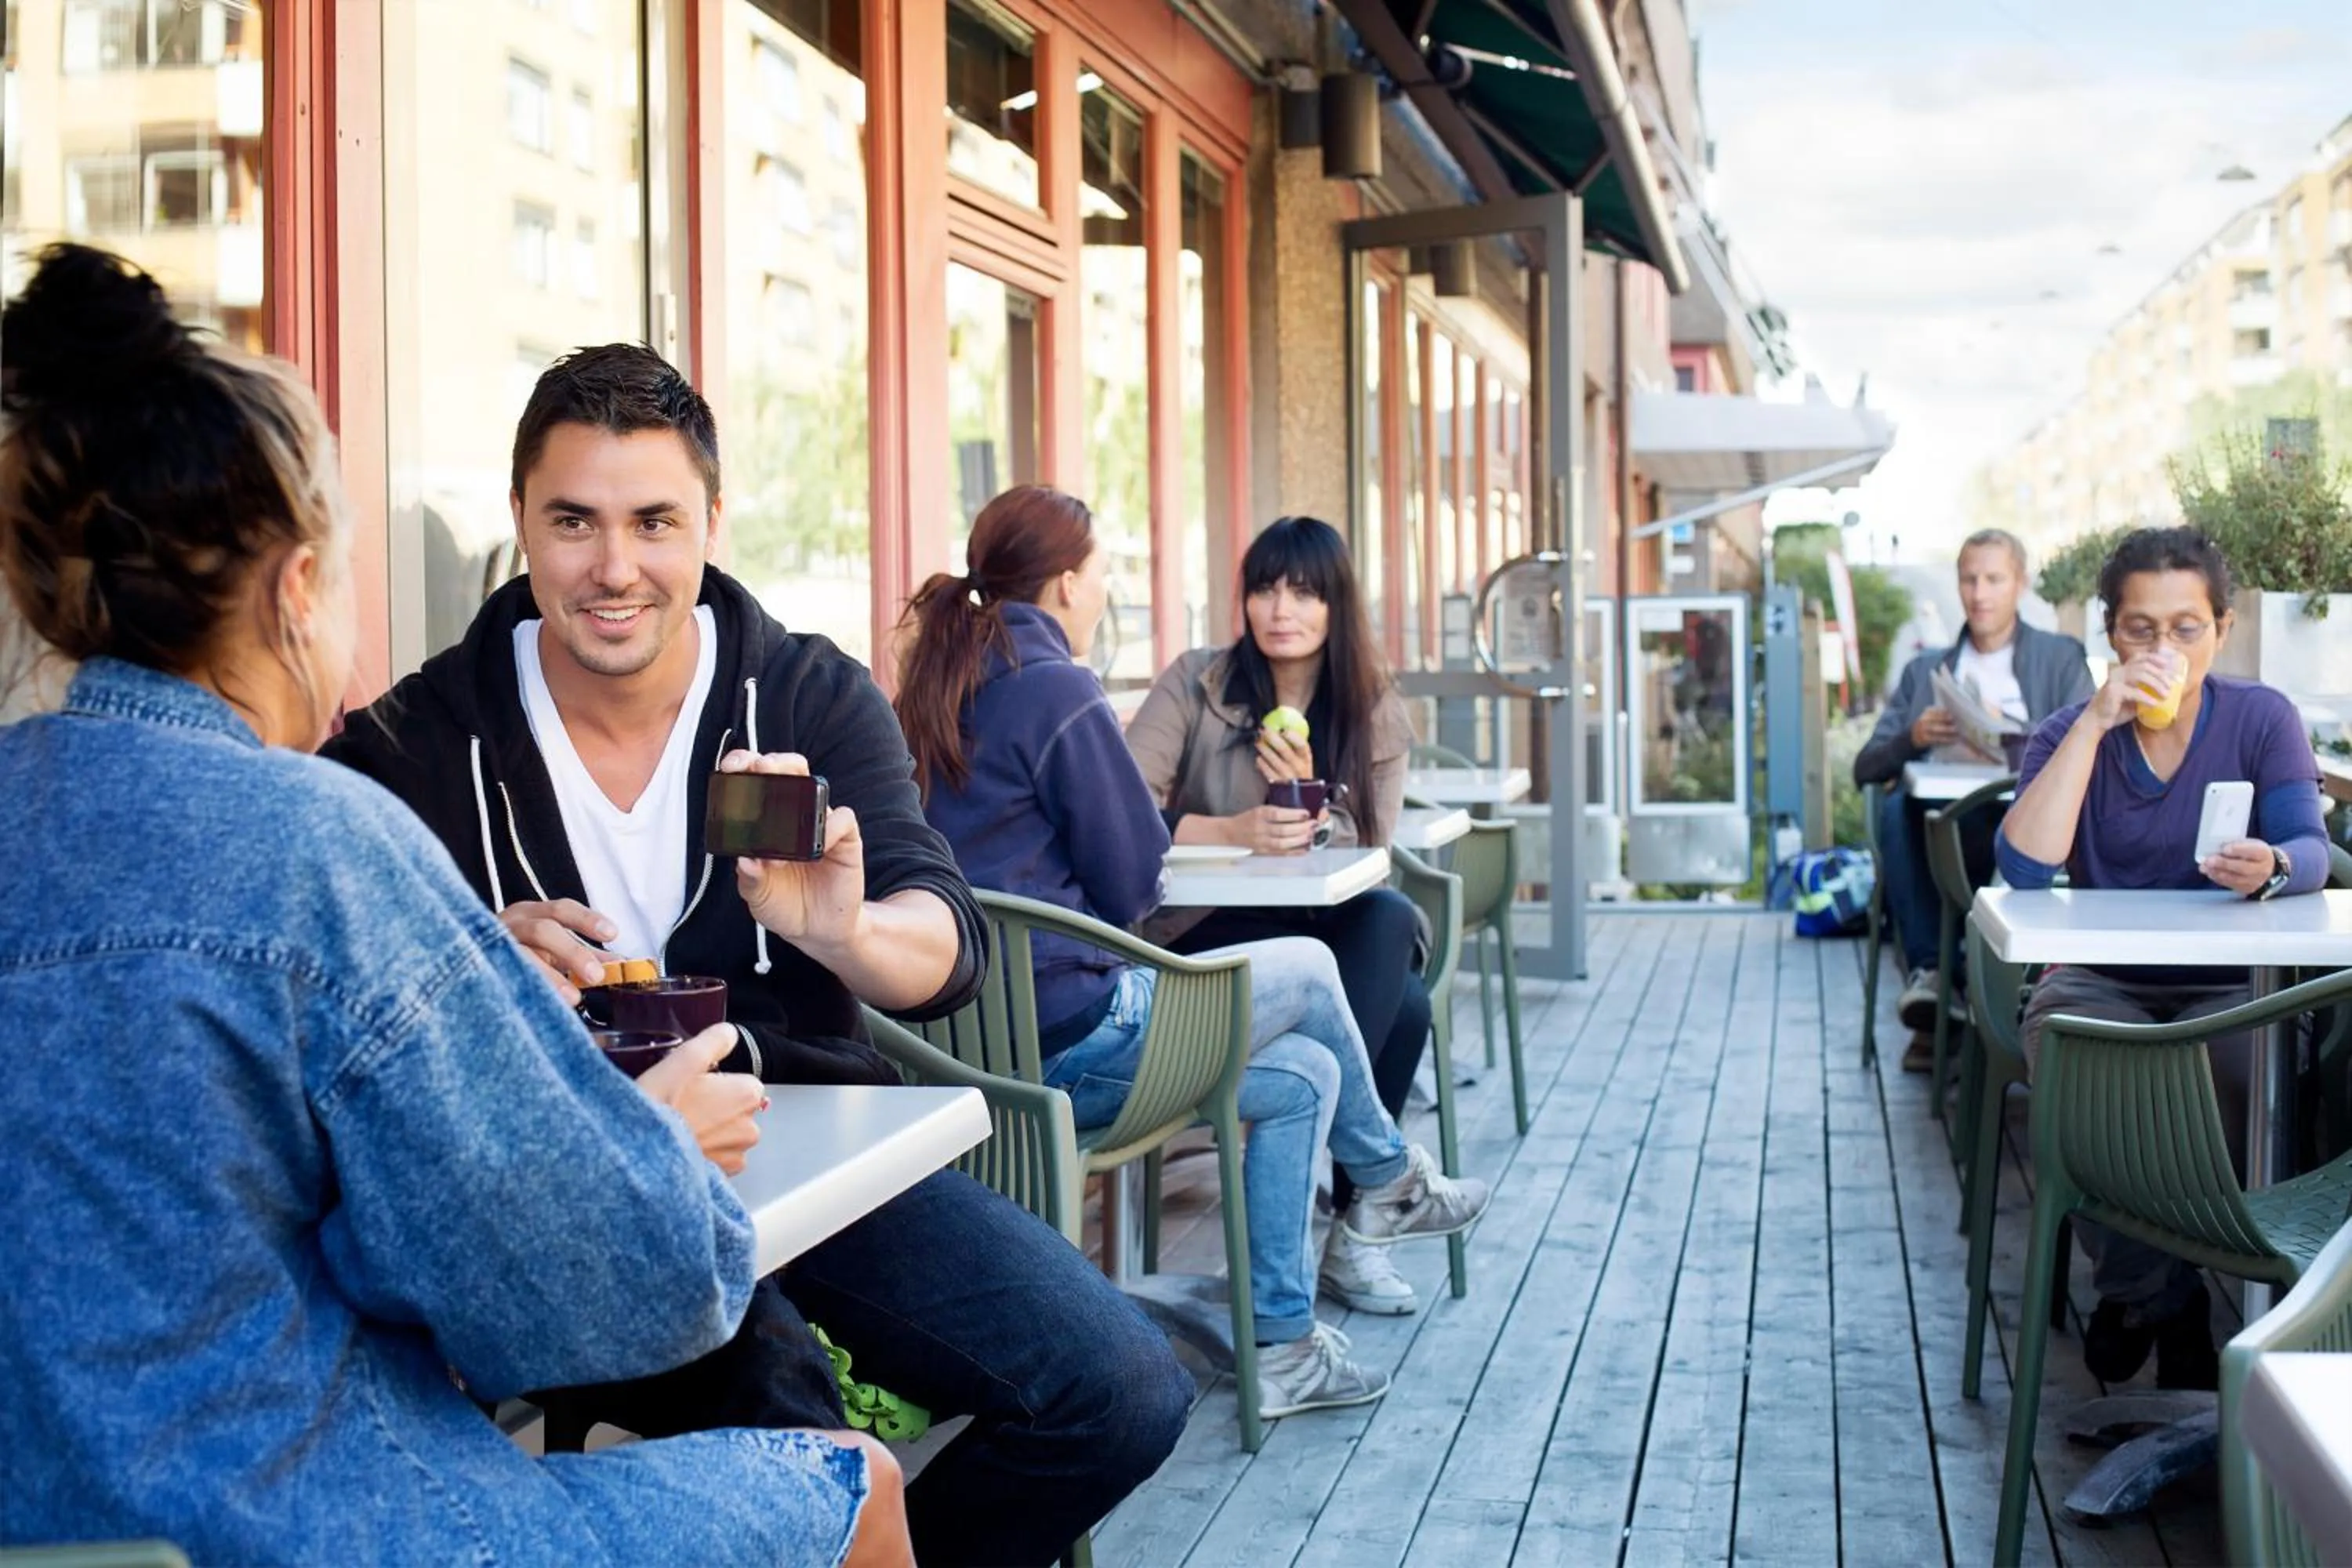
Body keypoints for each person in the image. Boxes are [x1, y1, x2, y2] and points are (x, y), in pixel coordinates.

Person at [0, 245, 909, 1564]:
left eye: (655, 523)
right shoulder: (323, 835)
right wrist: (645, 1147)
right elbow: (589, 1294)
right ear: (298, 590)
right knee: (855, 1483)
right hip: (302, 1516)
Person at [324, 347, 1189, 1566]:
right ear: (520, 519)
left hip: (814, 1157)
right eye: (574, 521)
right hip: (576, 1205)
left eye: (654, 521)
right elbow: (311, 988)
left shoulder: (802, 694)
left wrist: (842, 927)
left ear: (712, 524)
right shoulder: (419, 739)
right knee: (801, 1442)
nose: (614, 567)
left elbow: (947, 948)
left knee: (1121, 1391)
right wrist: (462, 956)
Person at [895, 485, 1491, 1418]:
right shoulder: (1058, 687)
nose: (1105, 594)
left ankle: (1283, 1341)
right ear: (1064, 583)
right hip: (1078, 1038)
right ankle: (1388, 1177)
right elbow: (1136, 877)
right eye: (1101, 575)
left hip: (966, 1036)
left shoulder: (948, 679)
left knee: (1301, 1075)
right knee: (1313, 967)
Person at [1996, 525, 2327, 1389]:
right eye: (2141, 627)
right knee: (2087, 1070)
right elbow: (2027, 866)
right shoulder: (2074, 728)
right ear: (2111, 633)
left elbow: (2311, 847)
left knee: (2223, 1074)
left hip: (2238, 987)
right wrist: (2096, 723)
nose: (2163, 647)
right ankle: (2158, 1290)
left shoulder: (2261, 718)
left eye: (2186, 627)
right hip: (2100, 983)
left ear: (2221, 630)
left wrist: (2277, 865)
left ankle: (2158, 1289)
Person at [1123, 516, 1440, 1316]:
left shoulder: (1373, 711)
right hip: (1200, 928)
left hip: (1317, 928)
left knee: (1389, 921)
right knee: (1404, 1003)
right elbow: (1122, 809)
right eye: (1265, 587)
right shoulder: (1197, 682)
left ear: (1336, 604)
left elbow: (1369, 853)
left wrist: (1312, 807)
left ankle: (1348, 1216)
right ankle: (1364, 1206)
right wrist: (1231, 831)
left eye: (1303, 590)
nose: (1280, 607)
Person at [1853, 528, 2093, 1062]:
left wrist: (2016, 735)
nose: (1980, 594)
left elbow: (2092, 743)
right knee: (1899, 809)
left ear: (2020, 584)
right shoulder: (1925, 670)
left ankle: (1947, 1004)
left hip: (2030, 835)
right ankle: (1933, 976)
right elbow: (1865, 766)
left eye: (1994, 579)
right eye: (1969, 579)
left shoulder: (2059, 658)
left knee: (1916, 819)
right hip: (1943, 836)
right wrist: (1913, 737)